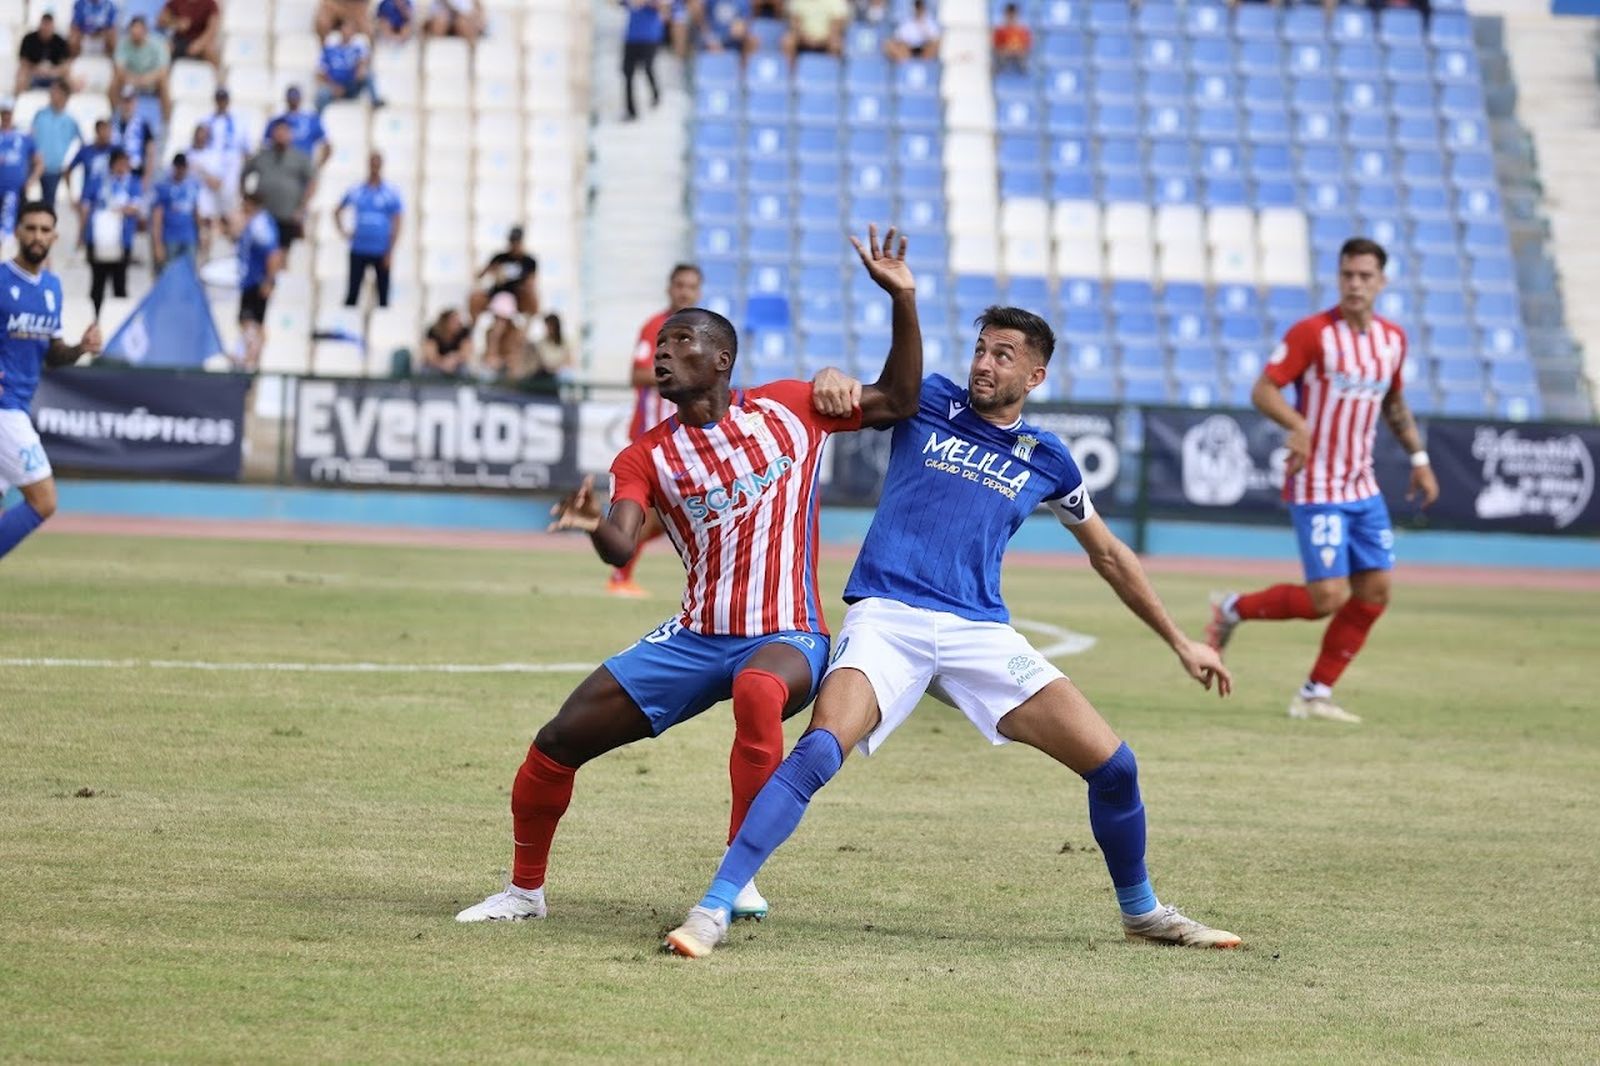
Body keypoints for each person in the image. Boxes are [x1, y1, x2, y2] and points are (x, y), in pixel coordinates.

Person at [662, 304, 1242, 959]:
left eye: (1002, 355)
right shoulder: (928, 399)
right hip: (888, 616)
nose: (984, 364)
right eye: (981, 349)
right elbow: (854, 394)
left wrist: (1181, 641)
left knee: (1115, 767)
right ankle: (712, 908)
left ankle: (1141, 913)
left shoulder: (1049, 459)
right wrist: (830, 375)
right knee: (821, 750)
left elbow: (1107, 553)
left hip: (979, 633)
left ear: (1036, 372)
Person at [453, 225, 922, 925]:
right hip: (695, 637)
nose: (663, 356)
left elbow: (900, 400)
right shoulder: (645, 456)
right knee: (557, 741)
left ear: (722, 358)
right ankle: (524, 892)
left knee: (760, 691)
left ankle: (740, 872)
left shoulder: (792, 409)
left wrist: (902, 301)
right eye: (661, 346)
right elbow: (621, 542)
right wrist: (591, 526)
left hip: (787, 633)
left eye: (681, 344)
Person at [1207, 238, 1439, 725]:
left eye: (1365, 276)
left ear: (1381, 282)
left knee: (1375, 591)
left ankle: (1315, 693)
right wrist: (1299, 426)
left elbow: (1394, 403)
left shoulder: (1392, 340)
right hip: (1316, 486)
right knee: (1327, 599)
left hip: (1363, 486)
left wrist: (1418, 457)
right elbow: (1263, 388)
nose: (1355, 284)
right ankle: (1231, 608)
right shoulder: (1313, 333)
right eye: (1347, 275)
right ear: (1338, 278)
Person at [0, 202, 102, 565]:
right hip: (5, 411)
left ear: (55, 236)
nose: (38, 236)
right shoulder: (1, 279)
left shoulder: (51, 288)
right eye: (31, 228)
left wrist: (80, 347)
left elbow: (53, 353)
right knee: (44, 501)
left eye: (45, 230)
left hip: (17, 407)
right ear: (17, 231)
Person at [607, 261, 701, 597]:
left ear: (699, 290)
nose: (684, 292)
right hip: (652, 434)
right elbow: (637, 374)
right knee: (654, 513)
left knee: (678, 514)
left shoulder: (703, 331)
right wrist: (685, 374)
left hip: (686, 437)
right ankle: (619, 572)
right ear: (669, 287)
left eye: (691, 286)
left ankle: (618, 561)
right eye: (679, 285)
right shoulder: (655, 327)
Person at [338, 151, 403, 308]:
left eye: (377, 163)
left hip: (381, 249)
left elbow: (397, 221)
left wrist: (390, 250)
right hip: (359, 248)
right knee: (352, 293)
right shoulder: (357, 189)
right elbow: (338, 210)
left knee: (383, 296)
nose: (374, 167)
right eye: (372, 163)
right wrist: (344, 232)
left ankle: (383, 326)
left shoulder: (391, 192)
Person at [242, 119, 315, 255]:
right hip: (263, 214)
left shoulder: (300, 158)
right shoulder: (262, 156)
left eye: (284, 132)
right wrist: (246, 199)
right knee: (262, 250)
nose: (281, 135)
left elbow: (312, 182)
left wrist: (302, 207)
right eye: (278, 132)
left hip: (287, 214)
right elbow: (244, 174)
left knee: (282, 252)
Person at [86, 147, 140, 314]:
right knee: (98, 281)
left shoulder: (132, 183)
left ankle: (119, 317)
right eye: (120, 163)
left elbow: (136, 207)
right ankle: (95, 317)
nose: (123, 167)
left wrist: (119, 210)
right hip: (98, 238)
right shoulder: (99, 181)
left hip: (122, 239)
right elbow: (86, 205)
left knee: (120, 281)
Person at [233, 190, 282, 370]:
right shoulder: (255, 222)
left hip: (257, 281)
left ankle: (250, 360)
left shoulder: (260, 225)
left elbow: (273, 254)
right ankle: (251, 358)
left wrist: (269, 280)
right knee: (249, 321)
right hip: (251, 280)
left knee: (250, 321)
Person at [28, 81, 78, 210]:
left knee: (48, 206)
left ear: (64, 96)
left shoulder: (70, 121)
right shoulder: (40, 115)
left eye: (55, 92)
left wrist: (66, 163)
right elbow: (31, 137)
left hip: (54, 170)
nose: (51, 94)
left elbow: (77, 144)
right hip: (34, 166)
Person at [204, 88, 253, 219]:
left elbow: (247, 150)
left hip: (232, 168)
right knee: (210, 208)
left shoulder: (239, 122)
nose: (221, 102)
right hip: (211, 168)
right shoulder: (206, 121)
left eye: (224, 99)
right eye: (219, 99)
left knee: (229, 207)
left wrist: (244, 175)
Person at [110, 15, 171, 119]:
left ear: (145, 31)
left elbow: (163, 70)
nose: (136, 33)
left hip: (152, 80)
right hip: (130, 79)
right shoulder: (123, 44)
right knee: (115, 81)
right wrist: (132, 78)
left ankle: (166, 120)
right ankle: (115, 116)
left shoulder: (158, 44)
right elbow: (119, 68)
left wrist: (147, 79)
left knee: (164, 82)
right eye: (133, 30)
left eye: (139, 30)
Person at [316, 20, 381, 111]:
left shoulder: (357, 48)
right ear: (340, 30)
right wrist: (333, 86)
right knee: (322, 93)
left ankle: (375, 101)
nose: (347, 31)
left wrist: (360, 70)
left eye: (351, 29)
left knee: (368, 74)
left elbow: (364, 63)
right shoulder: (330, 49)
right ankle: (318, 118)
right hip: (334, 86)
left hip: (351, 85)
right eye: (346, 28)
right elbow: (321, 72)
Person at [149, 152, 200, 268]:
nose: (181, 170)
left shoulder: (193, 186)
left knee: (188, 274)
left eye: (183, 167)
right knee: (169, 272)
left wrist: (200, 233)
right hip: (170, 237)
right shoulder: (164, 187)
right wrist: (157, 244)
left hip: (189, 236)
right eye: (179, 167)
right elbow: (157, 217)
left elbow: (196, 212)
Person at [66, 118, 113, 240]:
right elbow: (67, 170)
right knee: (84, 223)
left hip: (108, 194)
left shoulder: (115, 151)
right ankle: (81, 248)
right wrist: (71, 196)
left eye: (109, 130)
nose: (108, 134)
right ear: (97, 132)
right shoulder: (86, 151)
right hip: (88, 195)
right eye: (105, 130)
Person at [0, 100, 41, 241]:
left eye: (8, 113)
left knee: (15, 228)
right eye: (3, 113)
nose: (6, 117)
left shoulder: (23, 137)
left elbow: (39, 162)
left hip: (16, 191)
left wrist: (31, 181)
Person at [621, 0, 668, 122]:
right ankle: (631, 110)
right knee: (628, 74)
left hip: (649, 37)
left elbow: (665, 9)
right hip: (631, 37)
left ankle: (656, 95)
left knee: (648, 67)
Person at [186, 122, 226, 260]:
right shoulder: (187, 154)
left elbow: (217, 183)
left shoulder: (213, 157)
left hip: (207, 208)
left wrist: (202, 172)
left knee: (205, 243)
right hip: (189, 209)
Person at [269, 85, 331, 169]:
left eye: (295, 98)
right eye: (291, 98)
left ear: (301, 99)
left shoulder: (311, 120)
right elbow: (266, 145)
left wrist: (317, 167)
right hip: (282, 168)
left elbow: (327, 146)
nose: (293, 101)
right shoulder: (277, 121)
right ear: (286, 99)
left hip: (303, 168)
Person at [16, 16, 74, 95]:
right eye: (44, 26)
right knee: (21, 74)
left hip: (54, 75)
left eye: (48, 26)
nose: (46, 29)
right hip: (33, 74)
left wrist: (53, 71)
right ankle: (18, 101)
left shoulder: (60, 42)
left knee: (70, 78)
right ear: (40, 26)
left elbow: (66, 64)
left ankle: (67, 102)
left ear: (53, 27)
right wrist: (36, 69)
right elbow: (23, 61)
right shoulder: (29, 39)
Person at [158, 0, 221, 67]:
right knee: (164, 50)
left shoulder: (210, 4)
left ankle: (215, 76)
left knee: (210, 53)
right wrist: (176, 23)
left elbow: (212, 29)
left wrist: (200, 44)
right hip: (179, 40)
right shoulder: (175, 2)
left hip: (200, 40)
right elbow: (160, 21)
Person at [111, 85, 155, 179]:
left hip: (135, 174)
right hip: (114, 175)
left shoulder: (143, 125)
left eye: (130, 101)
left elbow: (150, 152)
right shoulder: (112, 123)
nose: (127, 105)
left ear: (135, 102)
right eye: (125, 101)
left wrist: (146, 178)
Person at [781, 0, 848, 61]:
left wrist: (821, 40)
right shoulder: (798, 2)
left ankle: (830, 71)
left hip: (826, 39)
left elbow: (836, 27)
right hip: (802, 38)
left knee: (835, 44)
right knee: (788, 41)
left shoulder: (836, 2)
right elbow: (795, 24)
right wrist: (806, 38)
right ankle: (790, 72)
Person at [419, 308, 472, 377]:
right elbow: (430, 355)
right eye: (454, 321)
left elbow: (466, 353)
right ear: (445, 322)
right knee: (426, 369)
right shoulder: (433, 332)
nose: (458, 323)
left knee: (464, 369)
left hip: (455, 365)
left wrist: (454, 359)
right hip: (436, 365)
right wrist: (442, 363)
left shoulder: (464, 332)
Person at [992, 1, 1032, 75]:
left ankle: (1024, 75)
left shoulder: (1023, 30)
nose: (1011, 17)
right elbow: (996, 47)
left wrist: (1016, 50)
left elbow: (1027, 47)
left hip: (1019, 56)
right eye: (1009, 15)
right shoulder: (1000, 30)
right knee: (999, 58)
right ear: (1005, 15)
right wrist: (1007, 50)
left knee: (1024, 59)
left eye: (1013, 15)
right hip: (1004, 55)